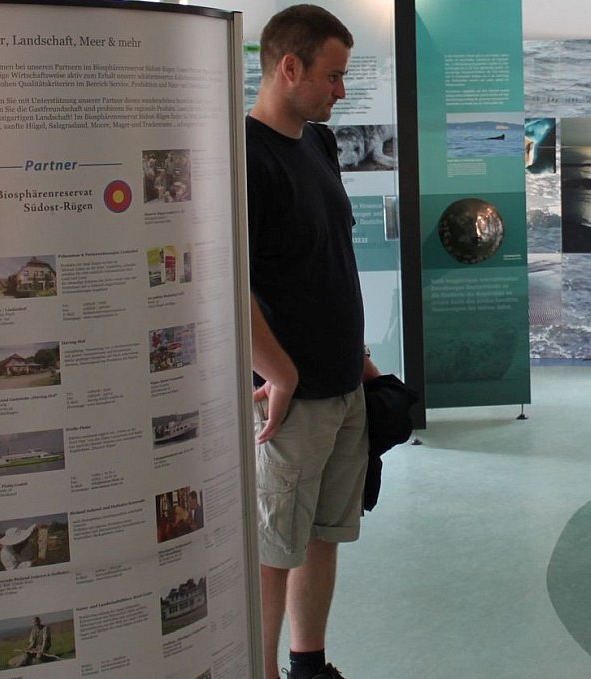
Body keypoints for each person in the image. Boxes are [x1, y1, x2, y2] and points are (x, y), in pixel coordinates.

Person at [247, 6, 380, 679]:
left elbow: (333, 257)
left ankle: (307, 663)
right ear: (288, 67)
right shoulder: (245, 157)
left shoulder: (318, 144)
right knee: (276, 546)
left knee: (325, 533)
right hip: (289, 402)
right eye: (333, 75)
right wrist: (281, 374)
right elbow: (226, 288)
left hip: (344, 384)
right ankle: (262, 669)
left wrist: (359, 359)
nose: (341, 90)